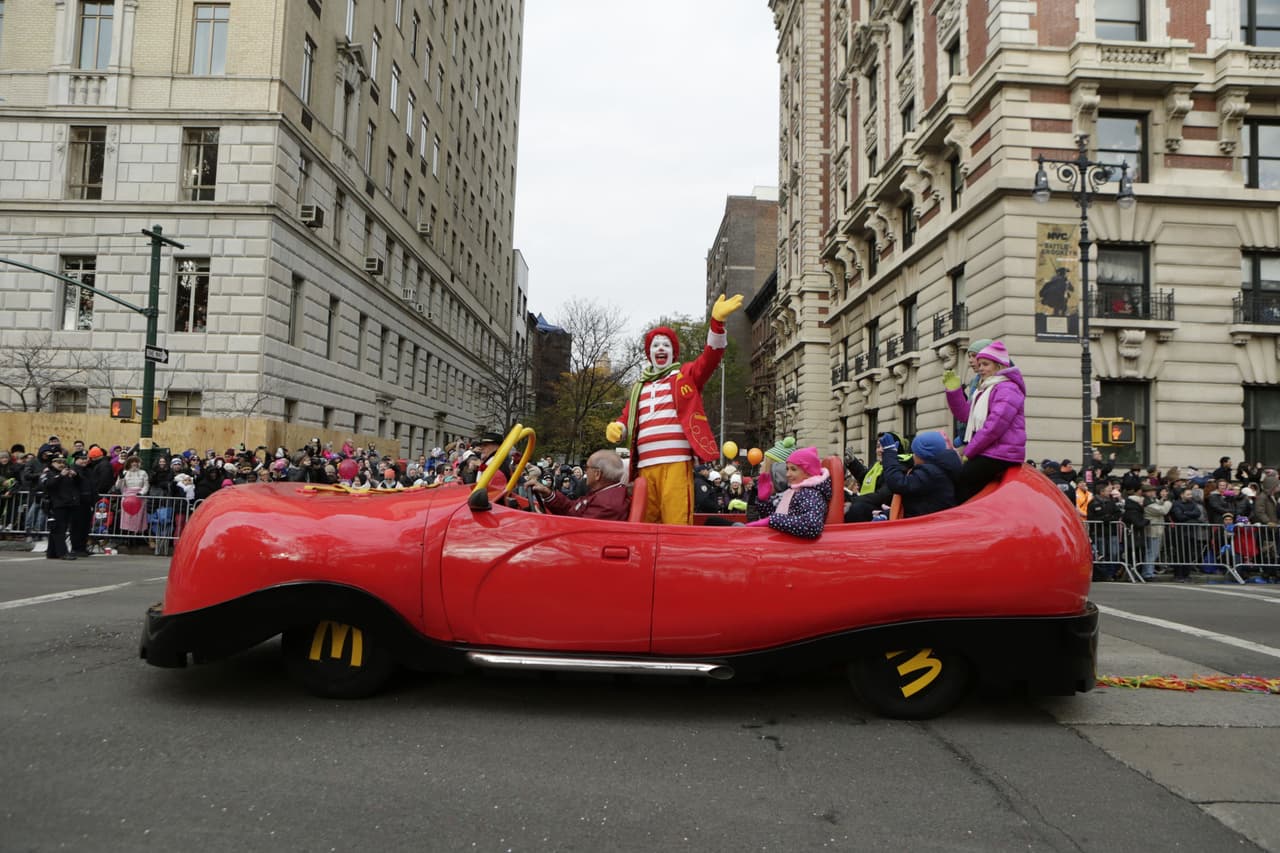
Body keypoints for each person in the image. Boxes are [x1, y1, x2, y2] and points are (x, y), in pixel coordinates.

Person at [606, 293, 743, 524]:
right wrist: (618, 427)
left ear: (673, 352)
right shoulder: (639, 387)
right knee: (644, 523)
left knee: (676, 521)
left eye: (666, 344)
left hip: (676, 464)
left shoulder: (684, 376)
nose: (660, 348)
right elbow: (627, 419)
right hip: (644, 468)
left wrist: (716, 325)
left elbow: (710, 358)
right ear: (649, 353)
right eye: (655, 345)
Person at [944, 340, 1026, 502]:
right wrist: (954, 392)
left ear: (999, 366)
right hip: (991, 450)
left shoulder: (1008, 388)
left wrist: (970, 451)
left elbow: (995, 426)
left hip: (1002, 453)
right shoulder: (987, 388)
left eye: (985, 364)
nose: (980, 368)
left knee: (963, 480)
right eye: (979, 364)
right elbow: (967, 417)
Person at [746, 445, 831, 538]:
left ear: (808, 472)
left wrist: (772, 520)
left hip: (797, 548)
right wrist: (763, 500)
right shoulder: (795, 491)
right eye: (787, 469)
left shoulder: (811, 494)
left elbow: (812, 525)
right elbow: (781, 517)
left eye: (793, 469)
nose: (787, 474)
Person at [878, 431, 960, 519]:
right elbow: (919, 503)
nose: (913, 456)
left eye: (915, 453)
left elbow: (898, 483)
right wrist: (887, 513)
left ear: (923, 454)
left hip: (929, 526)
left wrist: (890, 453)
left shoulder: (930, 472)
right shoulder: (938, 470)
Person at [529, 450, 629, 520]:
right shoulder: (604, 494)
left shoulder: (607, 504)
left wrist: (544, 521)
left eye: (587, 467)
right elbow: (573, 508)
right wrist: (548, 494)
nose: (585, 470)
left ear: (597, 474)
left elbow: (579, 531)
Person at [42, 456, 80, 560]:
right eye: (58, 462)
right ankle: (62, 552)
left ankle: (52, 552)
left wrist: (76, 476)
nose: (61, 464)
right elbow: (47, 485)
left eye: (63, 462)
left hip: (67, 504)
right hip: (55, 505)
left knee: (56, 530)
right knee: (59, 530)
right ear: (52, 463)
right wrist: (60, 476)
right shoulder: (48, 473)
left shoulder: (67, 474)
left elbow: (77, 485)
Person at [1141, 484, 1172, 580]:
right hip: (1153, 531)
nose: (1155, 493)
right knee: (1152, 553)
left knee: (1154, 552)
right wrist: (1168, 501)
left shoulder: (1152, 500)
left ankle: (1149, 572)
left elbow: (1158, 504)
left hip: (1157, 530)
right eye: (1152, 491)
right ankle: (1148, 573)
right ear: (1147, 493)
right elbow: (1162, 510)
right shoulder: (1147, 503)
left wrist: (1163, 499)